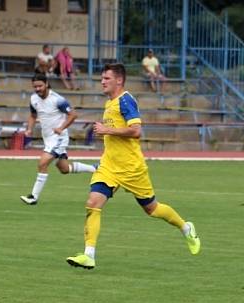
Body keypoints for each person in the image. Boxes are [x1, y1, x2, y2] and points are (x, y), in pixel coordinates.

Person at [66, 63, 200, 269]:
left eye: (106, 78)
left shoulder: (126, 100)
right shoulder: (109, 103)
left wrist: (107, 131)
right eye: (101, 78)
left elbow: (136, 131)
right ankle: (88, 255)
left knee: (152, 209)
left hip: (131, 168)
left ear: (119, 80)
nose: (102, 82)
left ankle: (186, 228)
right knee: (93, 202)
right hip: (109, 167)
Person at [20, 73, 96, 206]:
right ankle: (95, 169)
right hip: (48, 138)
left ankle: (33, 197)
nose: (37, 89)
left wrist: (61, 128)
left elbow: (73, 115)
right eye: (35, 86)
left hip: (58, 138)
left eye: (40, 86)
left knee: (42, 163)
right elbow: (33, 115)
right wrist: (29, 129)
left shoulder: (57, 99)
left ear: (47, 84)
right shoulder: (33, 99)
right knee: (64, 168)